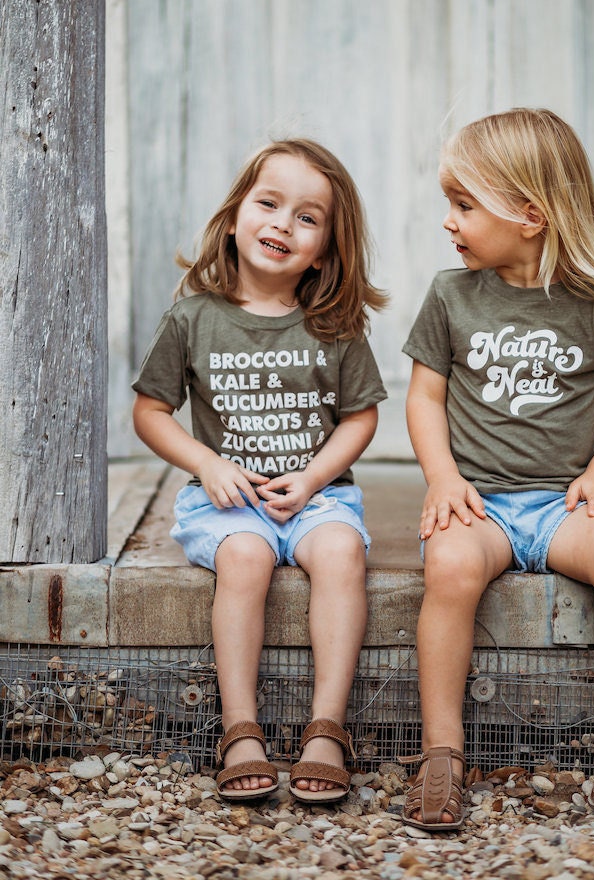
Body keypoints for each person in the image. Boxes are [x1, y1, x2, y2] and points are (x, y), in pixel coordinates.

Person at [401, 108, 594, 830]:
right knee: (449, 570)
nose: (449, 222)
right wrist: (443, 479)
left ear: (529, 215)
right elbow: (424, 396)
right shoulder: (452, 295)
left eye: (463, 205)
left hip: (561, 510)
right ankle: (442, 755)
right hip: (479, 504)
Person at [132, 139, 387, 803]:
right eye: (269, 203)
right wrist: (205, 461)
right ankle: (240, 728)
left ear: (327, 248)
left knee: (339, 552)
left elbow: (360, 419)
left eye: (307, 217)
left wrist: (313, 478)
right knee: (244, 559)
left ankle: (326, 729)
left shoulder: (335, 325)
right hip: (227, 501)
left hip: (316, 496)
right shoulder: (192, 318)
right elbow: (151, 412)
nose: (282, 223)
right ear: (235, 215)